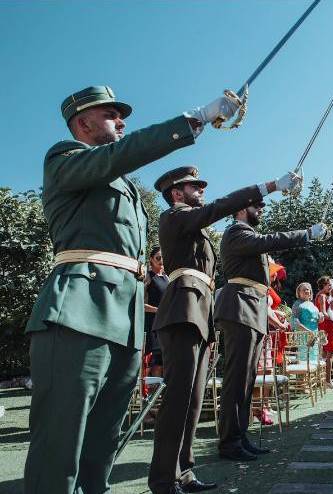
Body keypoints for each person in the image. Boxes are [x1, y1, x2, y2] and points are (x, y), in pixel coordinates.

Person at [24, 85, 238, 494]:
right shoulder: (63, 157)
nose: (121, 122)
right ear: (82, 122)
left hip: (124, 316)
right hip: (78, 308)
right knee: (61, 438)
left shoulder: (116, 181)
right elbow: (117, 157)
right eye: (110, 115)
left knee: (105, 436)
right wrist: (193, 120)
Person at [148, 166, 301, 494]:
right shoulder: (174, 217)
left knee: (192, 400)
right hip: (182, 310)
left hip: (199, 312)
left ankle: (184, 472)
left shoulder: (193, 226)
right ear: (177, 193)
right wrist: (268, 184)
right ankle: (163, 480)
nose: (200, 191)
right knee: (178, 399)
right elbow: (219, 207)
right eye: (194, 188)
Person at [214, 196, 326, 461]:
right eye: (257, 207)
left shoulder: (246, 234)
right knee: (237, 380)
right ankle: (229, 442)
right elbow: (269, 241)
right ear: (241, 209)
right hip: (240, 306)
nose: (261, 211)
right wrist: (306, 234)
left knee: (246, 380)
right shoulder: (236, 231)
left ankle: (240, 437)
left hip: (250, 307)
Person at [145, 246, 168, 380]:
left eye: (163, 257)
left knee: (161, 363)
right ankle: (145, 398)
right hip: (150, 325)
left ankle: (157, 398)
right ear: (151, 260)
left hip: (164, 325)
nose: (161, 260)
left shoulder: (167, 278)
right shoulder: (148, 277)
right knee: (149, 363)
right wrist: (158, 310)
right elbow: (139, 304)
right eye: (158, 258)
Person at [316, 276, 333, 389]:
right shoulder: (322, 296)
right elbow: (323, 312)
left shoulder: (323, 295)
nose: (330, 287)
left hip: (325, 326)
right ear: (323, 285)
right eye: (328, 284)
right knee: (329, 354)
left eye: (331, 284)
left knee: (325, 354)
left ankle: (324, 381)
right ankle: (328, 381)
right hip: (326, 326)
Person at [293, 282, 322, 362]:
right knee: (304, 358)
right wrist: (308, 331)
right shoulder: (297, 304)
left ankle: (313, 374)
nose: (306, 291)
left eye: (308, 289)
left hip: (314, 334)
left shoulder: (312, 304)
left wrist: (320, 318)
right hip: (303, 335)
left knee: (314, 357)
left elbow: (316, 321)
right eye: (303, 290)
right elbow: (296, 322)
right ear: (299, 292)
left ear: (310, 292)